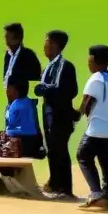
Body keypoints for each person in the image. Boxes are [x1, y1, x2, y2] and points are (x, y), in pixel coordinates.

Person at [34, 30, 79, 199]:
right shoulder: (50, 66)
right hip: (49, 113)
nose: (44, 46)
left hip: (60, 115)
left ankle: (65, 189)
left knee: (60, 150)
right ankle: (54, 183)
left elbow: (69, 90)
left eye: (47, 42)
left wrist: (45, 88)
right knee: (52, 149)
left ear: (55, 45)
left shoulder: (64, 65)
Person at [76, 45, 108, 211]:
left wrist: (75, 116)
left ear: (94, 59)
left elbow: (87, 104)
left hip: (96, 129)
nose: (87, 61)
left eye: (89, 57)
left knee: (83, 155)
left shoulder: (95, 78)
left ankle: (96, 194)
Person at [3, 23, 42, 95]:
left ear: (17, 39)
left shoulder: (28, 56)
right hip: (11, 100)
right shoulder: (8, 55)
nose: (5, 40)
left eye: (7, 37)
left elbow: (34, 80)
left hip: (23, 100)